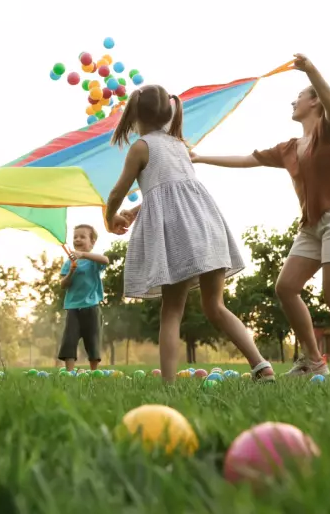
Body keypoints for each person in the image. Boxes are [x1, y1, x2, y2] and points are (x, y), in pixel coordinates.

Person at [191, 53, 330, 378]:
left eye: (298, 98)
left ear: (314, 103)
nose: (292, 103)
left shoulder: (329, 131)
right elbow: (247, 159)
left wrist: (311, 70)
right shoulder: (288, 148)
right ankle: (314, 361)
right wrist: (200, 158)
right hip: (311, 226)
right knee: (286, 287)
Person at [106, 84, 274, 383]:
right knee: (216, 306)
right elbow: (173, 192)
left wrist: (110, 218)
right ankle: (261, 365)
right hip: (207, 227)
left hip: (179, 237)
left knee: (172, 312)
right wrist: (139, 209)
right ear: (169, 112)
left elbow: (120, 190)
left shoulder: (141, 147)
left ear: (134, 114)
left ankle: (169, 386)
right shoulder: (179, 146)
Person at [57, 224, 109, 372]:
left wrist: (83, 255)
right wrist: (71, 272)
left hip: (91, 307)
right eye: (75, 237)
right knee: (69, 340)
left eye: (82, 237)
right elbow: (63, 285)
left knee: (92, 340)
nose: (77, 239)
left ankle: (94, 372)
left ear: (92, 242)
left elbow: (105, 260)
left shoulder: (93, 261)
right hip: (73, 308)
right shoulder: (68, 263)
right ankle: (70, 372)